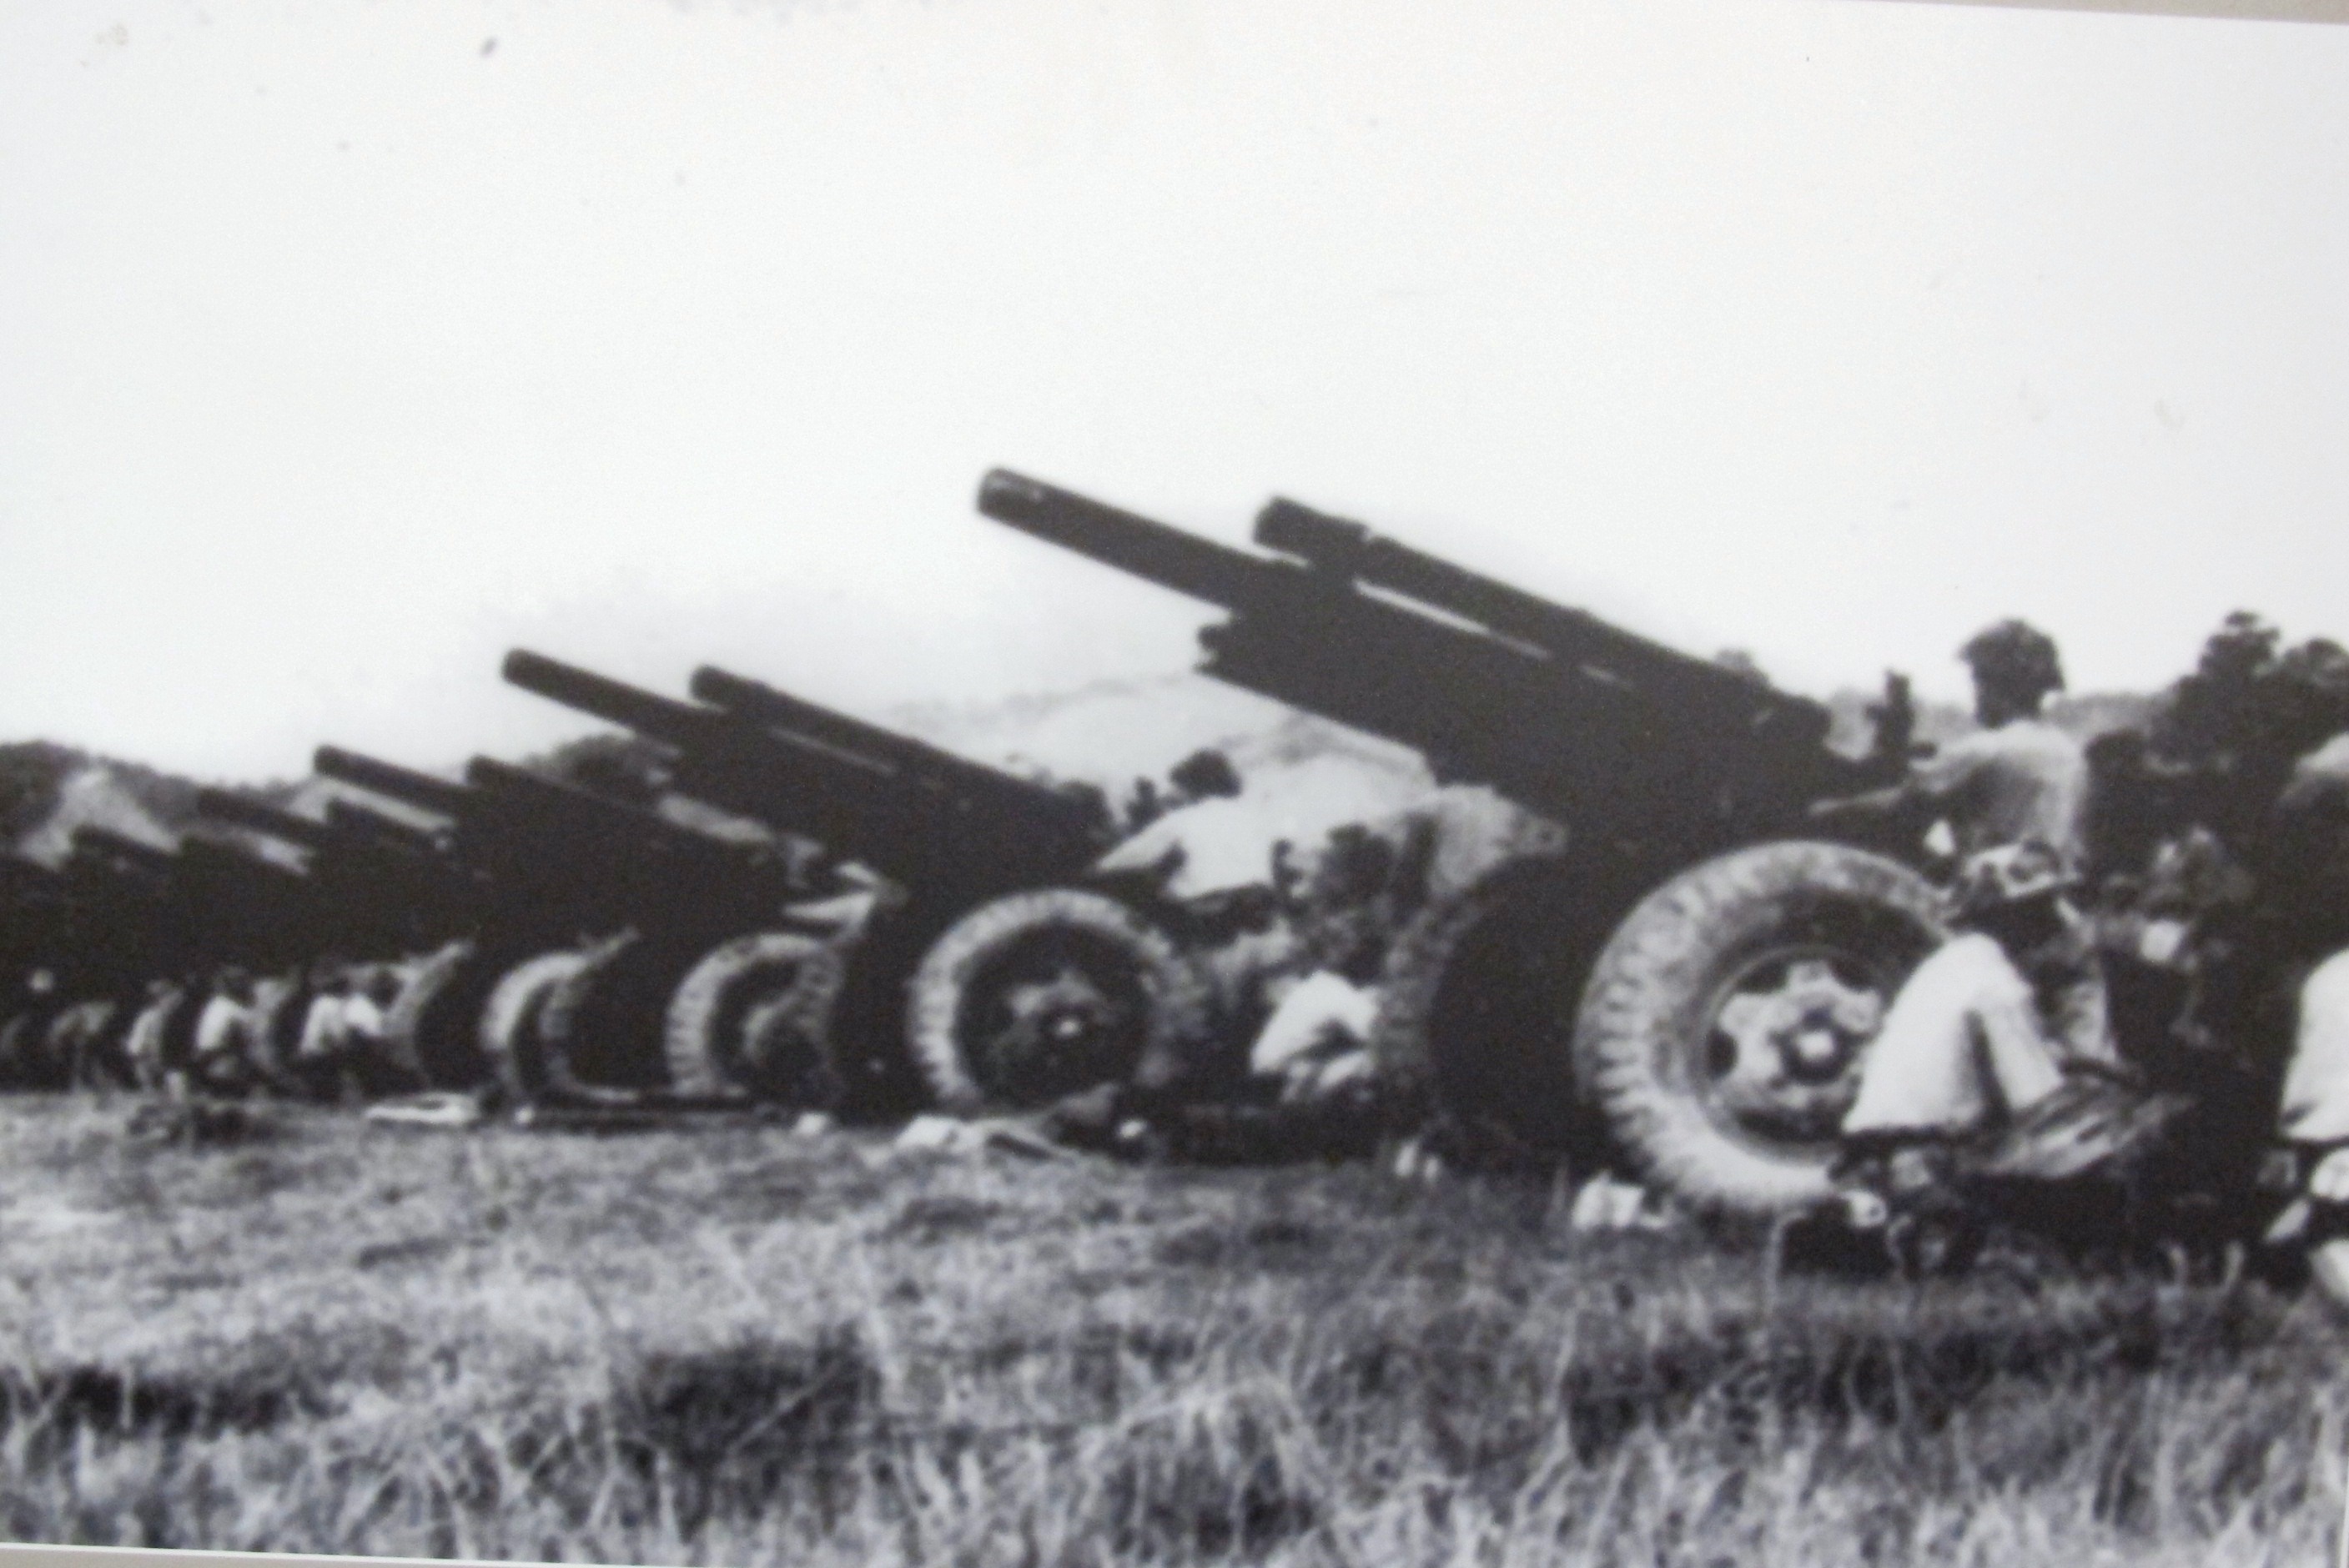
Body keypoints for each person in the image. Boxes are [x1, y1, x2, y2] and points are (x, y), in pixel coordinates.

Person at [1830, 840, 2128, 1213]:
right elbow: (2037, 1102)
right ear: (2013, 916)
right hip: (1936, 1152)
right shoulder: (1998, 986)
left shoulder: (1947, 965)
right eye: (2042, 909)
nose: (2055, 922)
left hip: (1874, 1144)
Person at [1812, 620, 2089, 868]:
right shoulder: (2069, 752)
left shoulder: (1984, 749)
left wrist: (1824, 812)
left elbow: (1900, 808)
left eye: (1977, 680)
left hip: (1991, 902)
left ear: (1990, 683)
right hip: (2050, 893)